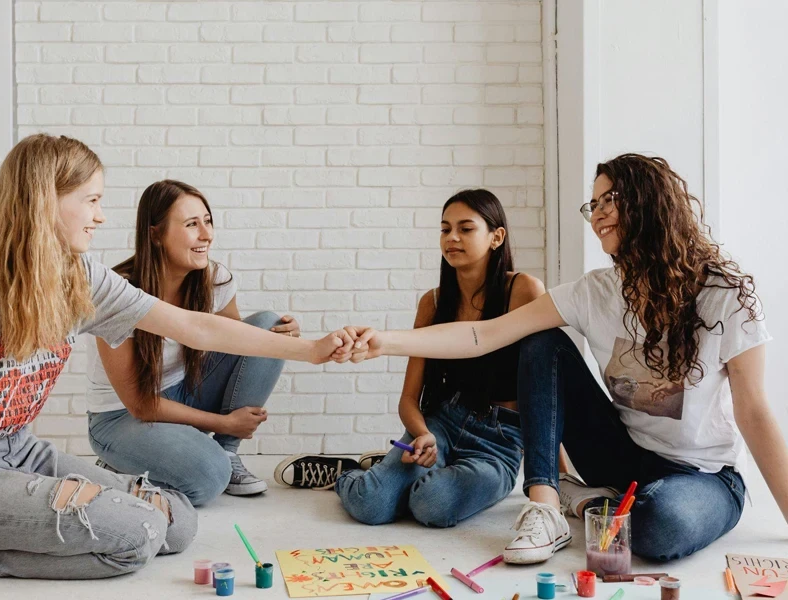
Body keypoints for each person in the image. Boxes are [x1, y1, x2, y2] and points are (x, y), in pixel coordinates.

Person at [0, 134, 356, 598]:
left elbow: (196, 328)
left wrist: (313, 349)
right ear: (44, 200)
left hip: (20, 449)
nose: (100, 215)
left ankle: (2, 533)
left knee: (178, 522)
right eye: (91, 200)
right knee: (134, 536)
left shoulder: (79, 274)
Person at [344, 154, 788, 565]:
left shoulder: (725, 295)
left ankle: (597, 501)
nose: (596, 215)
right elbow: (484, 334)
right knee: (541, 341)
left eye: (608, 200)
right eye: (591, 204)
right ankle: (547, 508)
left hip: (702, 474)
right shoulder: (594, 291)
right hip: (621, 456)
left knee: (657, 529)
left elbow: (753, 411)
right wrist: (385, 340)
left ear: (649, 203)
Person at [274, 190, 545, 529]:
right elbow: (408, 399)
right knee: (370, 505)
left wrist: (556, 481)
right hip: (441, 424)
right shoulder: (432, 303)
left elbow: (548, 392)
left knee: (432, 505)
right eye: (445, 229)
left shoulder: (524, 291)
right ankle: (350, 474)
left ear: (497, 237)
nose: (452, 238)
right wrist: (422, 435)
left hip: (498, 443)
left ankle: (387, 473)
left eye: (466, 228)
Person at [86, 180, 300, 504]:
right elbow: (140, 404)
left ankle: (227, 453)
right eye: (191, 224)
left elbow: (239, 346)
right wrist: (223, 422)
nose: (206, 234)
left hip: (185, 390)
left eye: (208, 221)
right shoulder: (118, 294)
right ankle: (122, 462)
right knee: (208, 477)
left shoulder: (214, 279)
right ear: (155, 234)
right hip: (122, 416)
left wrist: (281, 339)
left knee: (267, 328)